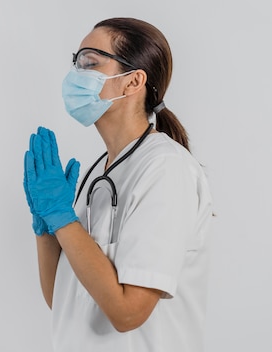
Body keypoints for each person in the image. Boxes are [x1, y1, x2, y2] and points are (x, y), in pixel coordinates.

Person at [22, 17, 213, 351]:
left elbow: (127, 313)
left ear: (133, 81)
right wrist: (47, 229)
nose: (76, 75)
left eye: (90, 62)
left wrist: (62, 217)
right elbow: (62, 299)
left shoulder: (164, 169)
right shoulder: (99, 171)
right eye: (76, 62)